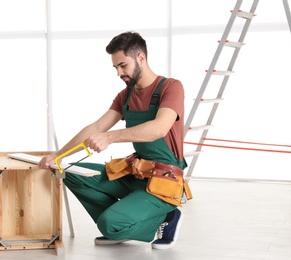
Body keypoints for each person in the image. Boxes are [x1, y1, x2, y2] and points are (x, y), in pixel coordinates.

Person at [39, 31, 188, 250]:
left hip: (163, 182)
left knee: (109, 224)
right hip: (136, 174)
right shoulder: (125, 95)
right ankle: (122, 221)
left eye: (123, 65)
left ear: (141, 58)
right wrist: (57, 156)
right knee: (69, 171)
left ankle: (166, 216)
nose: (119, 72)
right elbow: (97, 127)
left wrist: (110, 137)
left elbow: (159, 128)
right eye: (115, 68)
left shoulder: (170, 87)